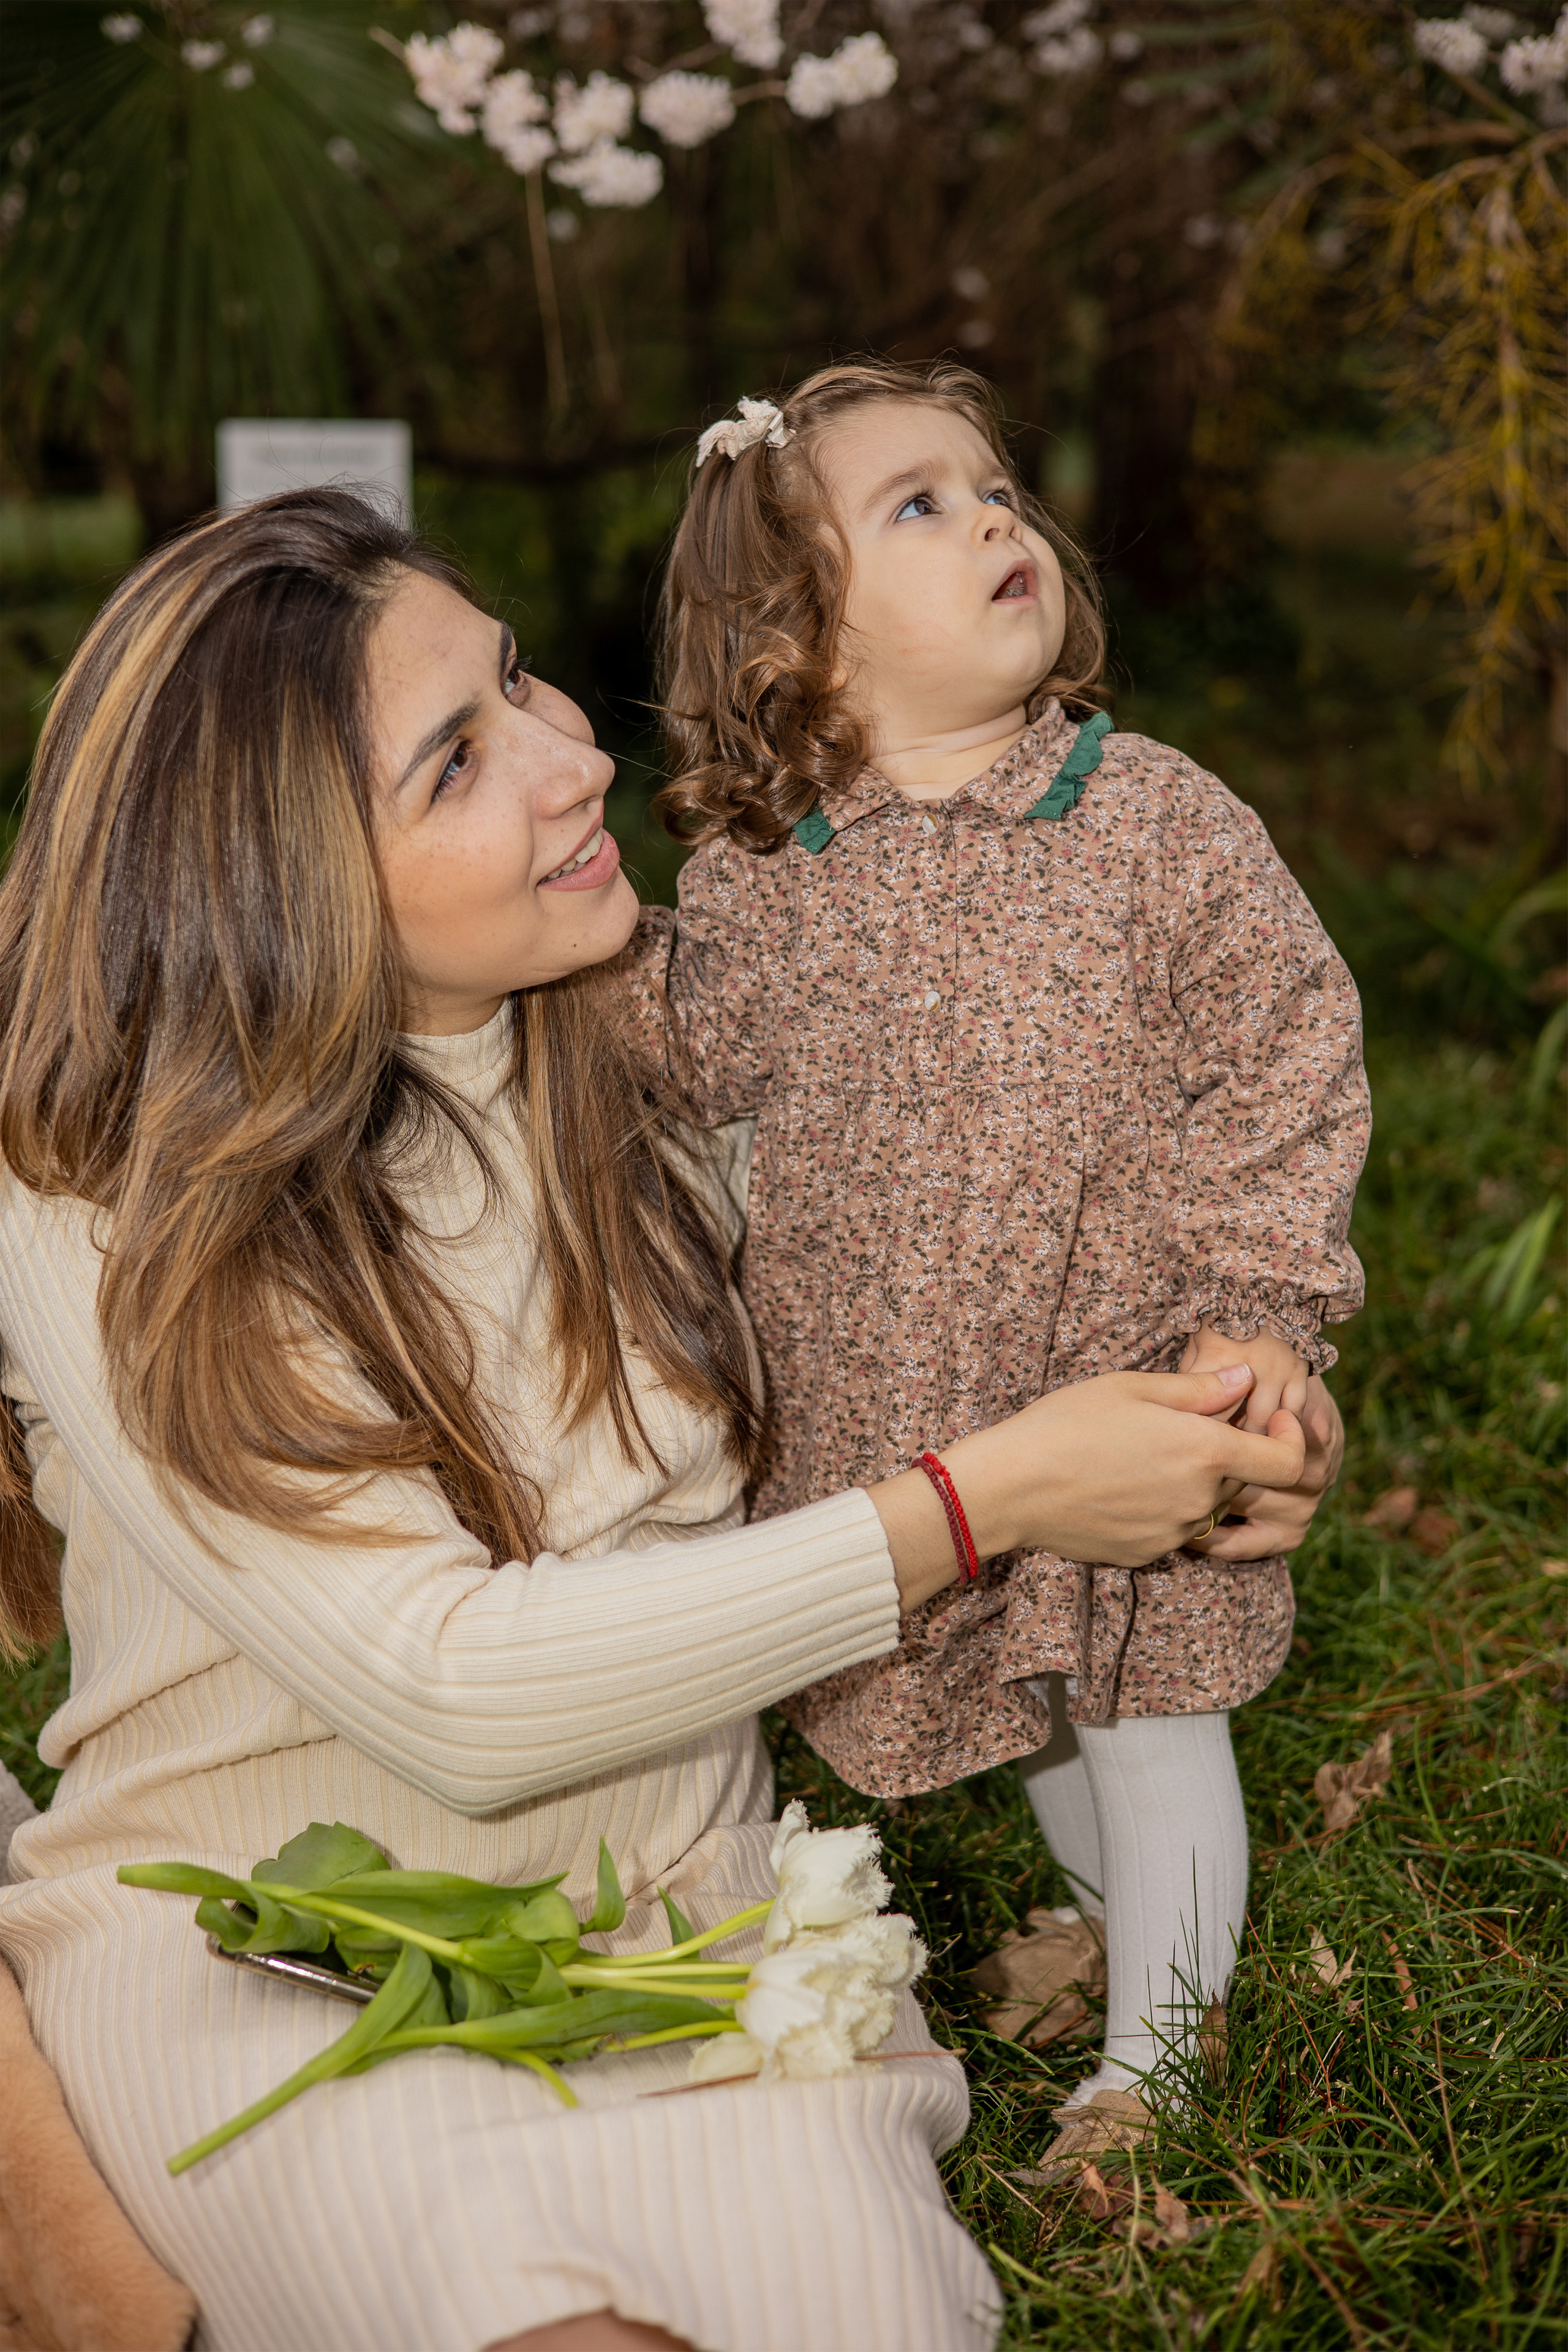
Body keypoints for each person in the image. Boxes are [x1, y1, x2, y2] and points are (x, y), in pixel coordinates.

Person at [0, 488, 1328, 2352]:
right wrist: (988, 1503)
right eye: (459, 760)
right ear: (275, 884)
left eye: (520, 677)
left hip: (700, 1923)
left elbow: (998, 1256)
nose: (573, 759)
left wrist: (1221, 1395)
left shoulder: (675, 1045)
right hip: (271, 1938)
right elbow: (453, 1690)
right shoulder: (99, 1194)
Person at [620, 360, 1370, 2155]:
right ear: (798, 643)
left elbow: (1286, 1048)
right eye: (920, 507)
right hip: (909, 1399)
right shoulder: (768, 876)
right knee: (1027, 1707)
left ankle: (1155, 2075)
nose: (991, 523)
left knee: (1145, 1704)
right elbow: (684, 1055)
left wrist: (1261, 1304)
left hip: (1134, 1368)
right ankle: (1122, 1927)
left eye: (995, 491)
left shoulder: (1156, 820)